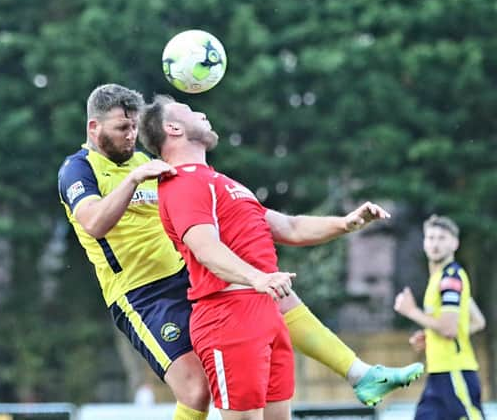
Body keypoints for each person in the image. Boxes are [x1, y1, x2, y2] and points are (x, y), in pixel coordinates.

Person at [57, 84, 422, 420]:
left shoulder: (162, 168)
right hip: (142, 294)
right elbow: (92, 223)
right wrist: (134, 181)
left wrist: (344, 224)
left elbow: (283, 225)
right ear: (93, 127)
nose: (131, 135)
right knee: (197, 392)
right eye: (122, 127)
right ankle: (361, 373)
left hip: (185, 274)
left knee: (270, 295)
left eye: (134, 126)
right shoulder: (79, 169)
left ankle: (359, 373)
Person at [394, 215, 486, 420]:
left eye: (442, 238)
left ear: (455, 243)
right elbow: (477, 321)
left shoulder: (450, 277)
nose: (435, 243)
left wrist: (411, 311)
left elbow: (449, 329)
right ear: (424, 243)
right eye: (431, 238)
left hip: (455, 372)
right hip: (438, 376)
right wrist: (431, 335)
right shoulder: (441, 278)